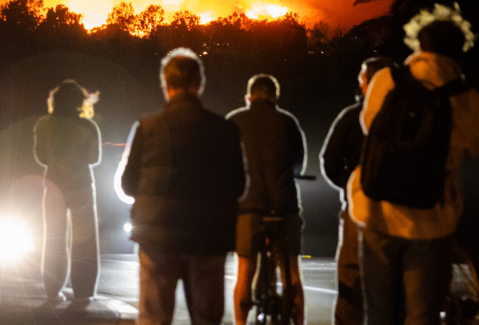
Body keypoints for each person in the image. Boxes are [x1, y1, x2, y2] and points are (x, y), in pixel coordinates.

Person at [348, 5, 479, 325]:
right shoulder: (466, 98)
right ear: (459, 52)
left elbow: (369, 125)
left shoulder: (387, 80)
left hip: (378, 210)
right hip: (432, 219)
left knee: (380, 315)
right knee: (421, 314)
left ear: (418, 45)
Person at [118, 48, 245, 325]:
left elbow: (127, 185)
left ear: (166, 84)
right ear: (199, 84)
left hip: (157, 237)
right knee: (207, 317)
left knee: (153, 317)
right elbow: (238, 186)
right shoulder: (224, 130)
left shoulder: (147, 128)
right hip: (209, 237)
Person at [227, 74, 307, 325]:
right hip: (284, 207)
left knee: (245, 271)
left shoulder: (234, 121)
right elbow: (298, 165)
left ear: (248, 98)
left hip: (247, 207)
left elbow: (226, 166)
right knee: (292, 272)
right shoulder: (288, 122)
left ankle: (241, 323)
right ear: (275, 97)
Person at [320, 57, 393, 325]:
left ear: (366, 83)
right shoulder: (407, 113)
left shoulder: (352, 116)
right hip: (401, 206)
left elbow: (329, 160)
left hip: (359, 208)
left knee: (351, 275)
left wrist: (347, 186)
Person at [34, 80, 102, 302]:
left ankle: (53, 289)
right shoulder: (89, 127)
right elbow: (94, 158)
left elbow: (41, 157)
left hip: (54, 186)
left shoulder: (43, 124)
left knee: (54, 239)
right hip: (81, 186)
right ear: (79, 102)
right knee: (84, 240)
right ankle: (83, 292)